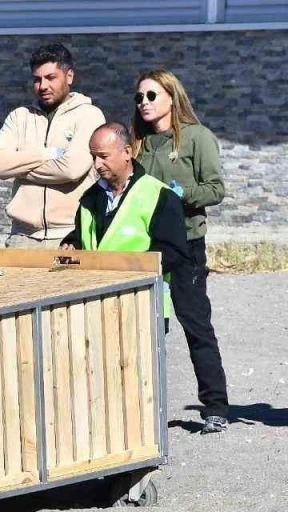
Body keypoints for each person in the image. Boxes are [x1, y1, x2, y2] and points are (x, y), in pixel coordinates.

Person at [131, 70, 231, 434]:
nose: (144, 103)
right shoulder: (137, 143)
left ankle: (215, 407)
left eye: (152, 96)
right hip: (145, 248)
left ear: (172, 97)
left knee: (196, 325)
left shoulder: (197, 137)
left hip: (186, 246)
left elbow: (216, 189)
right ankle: (141, 411)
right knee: (147, 329)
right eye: (139, 97)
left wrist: (181, 196)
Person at [61, 123, 191, 341]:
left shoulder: (159, 195)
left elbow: (174, 253)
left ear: (127, 153)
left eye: (103, 156)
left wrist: (126, 267)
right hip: (95, 304)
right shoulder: (90, 197)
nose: (97, 164)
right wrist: (71, 244)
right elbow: (82, 236)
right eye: (93, 156)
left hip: (142, 305)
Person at [0, 43, 105, 248]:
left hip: (70, 236)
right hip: (22, 237)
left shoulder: (89, 115)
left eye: (51, 78)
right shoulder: (19, 117)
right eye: (37, 79)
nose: (43, 86)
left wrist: (19, 168)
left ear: (69, 76)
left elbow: (71, 169)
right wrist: (47, 154)